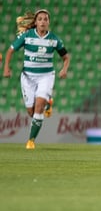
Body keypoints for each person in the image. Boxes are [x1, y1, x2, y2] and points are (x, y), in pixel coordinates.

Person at [3, 9, 70, 149]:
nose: (43, 21)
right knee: (31, 112)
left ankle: (31, 141)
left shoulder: (54, 39)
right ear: (36, 22)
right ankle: (48, 103)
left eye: (45, 19)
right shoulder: (26, 36)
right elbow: (10, 50)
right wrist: (6, 68)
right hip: (27, 77)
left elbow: (66, 57)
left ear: (48, 22)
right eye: (40, 19)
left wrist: (64, 69)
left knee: (38, 109)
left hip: (46, 76)